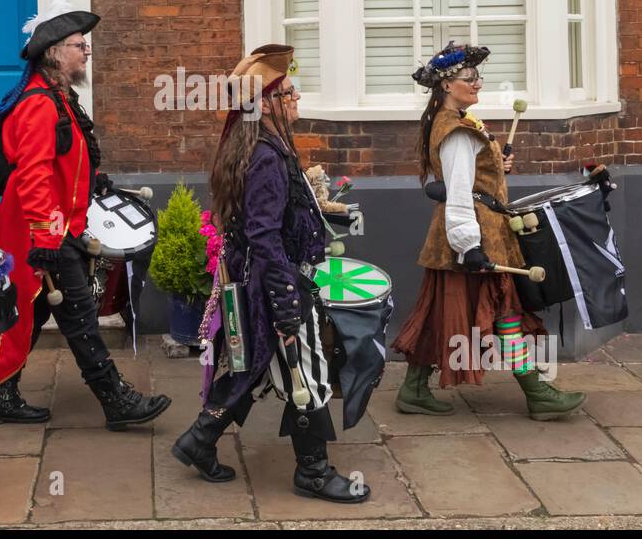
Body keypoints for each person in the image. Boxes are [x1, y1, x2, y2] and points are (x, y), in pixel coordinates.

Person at [172, 45, 369, 504]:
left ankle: (199, 441)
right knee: (307, 370)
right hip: (271, 281)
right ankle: (314, 472)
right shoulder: (265, 157)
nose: (297, 98)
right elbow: (263, 237)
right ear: (266, 103)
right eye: (290, 92)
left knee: (257, 368)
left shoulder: (266, 146)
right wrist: (285, 303)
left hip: (261, 277)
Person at [0, 0, 170, 430]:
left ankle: (0, 396)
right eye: (78, 45)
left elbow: (69, 159)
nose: (86, 51)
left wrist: (93, 184)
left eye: (85, 45)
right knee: (79, 313)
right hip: (37, 230)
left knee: (30, 311)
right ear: (53, 52)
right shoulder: (37, 104)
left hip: (54, 226)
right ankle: (116, 400)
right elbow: (34, 178)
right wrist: (48, 243)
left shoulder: (58, 97)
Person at [391, 43, 586, 420]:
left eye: (478, 77)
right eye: (469, 78)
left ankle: (413, 388)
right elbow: (460, 191)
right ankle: (536, 391)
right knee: (503, 309)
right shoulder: (458, 131)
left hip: (479, 232)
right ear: (447, 85)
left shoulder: (454, 122)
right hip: (474, 236)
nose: (477, 83)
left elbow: (464, 180)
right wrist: (469, 245)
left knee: (443, 312)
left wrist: (497, 165)